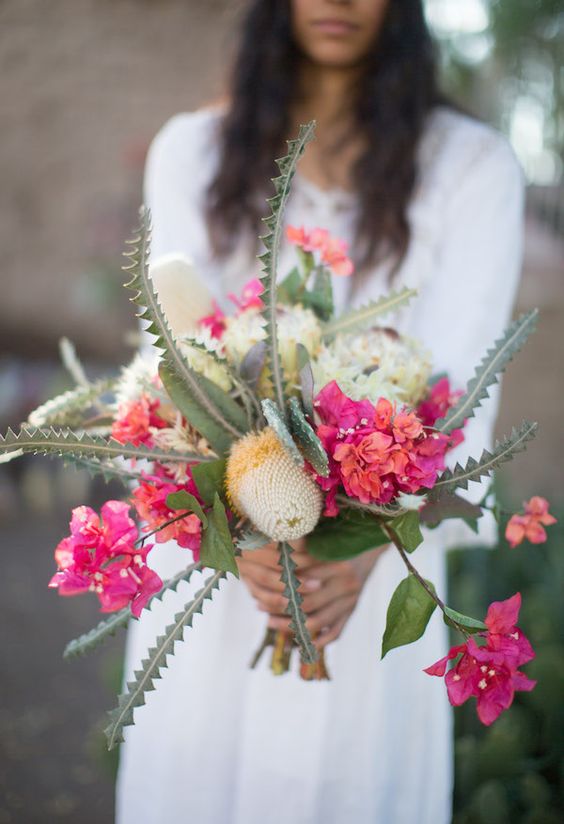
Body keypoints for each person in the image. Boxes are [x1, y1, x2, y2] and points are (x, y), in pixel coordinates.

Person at [116, 1, 524, 821]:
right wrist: (246, 529)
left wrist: (359, 553)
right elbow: (183, 363)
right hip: (221, 562)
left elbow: (463, 385)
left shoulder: (473, 168)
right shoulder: (191, 150)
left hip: (371, 568)